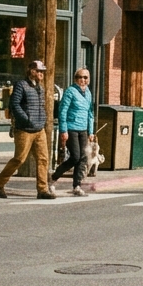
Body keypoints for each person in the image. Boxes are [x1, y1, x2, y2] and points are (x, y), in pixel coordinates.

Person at [0, 60, 55, 199]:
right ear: (31, 71)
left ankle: (42, 190)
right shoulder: (21, 85)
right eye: (39, 71)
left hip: (39, 129)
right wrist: (26, 119)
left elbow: (41, 106)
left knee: (43, 159)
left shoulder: (40, 88)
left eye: (42, 72)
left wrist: (42, 119)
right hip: (24, 130)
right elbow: (14, 104)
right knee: (19, 159)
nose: (41, 74)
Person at [50, 68, 95, 197]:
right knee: (75, 156)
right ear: (75, 79)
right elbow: (62, 111)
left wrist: (91, 131)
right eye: (80, 77)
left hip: (83, 129)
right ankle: (53, 178)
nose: (83, 80)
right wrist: (63, 130)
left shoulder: (88, 93)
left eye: (86, 77)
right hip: (71, 127)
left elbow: (90, 113)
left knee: (83, 158)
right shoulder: (70, 91)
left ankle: (77, 185)